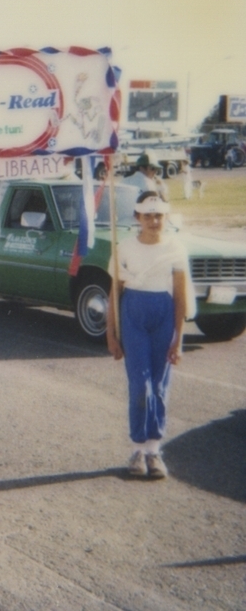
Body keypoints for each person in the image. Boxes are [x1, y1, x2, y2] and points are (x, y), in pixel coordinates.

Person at [106, 191, 188, 479]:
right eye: (148, 215)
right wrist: (111, 333)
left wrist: (178, 339)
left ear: (166, 217)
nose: (154, 221)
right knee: (140, 385)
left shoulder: (175, 248)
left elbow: (181, 297)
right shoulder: (125, 247)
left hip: (163, 316)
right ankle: (138, 448)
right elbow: (115, 291)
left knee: (159, 385)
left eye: (159, 215)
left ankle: (154, 451)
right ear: (137, 217)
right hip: (133, 315)